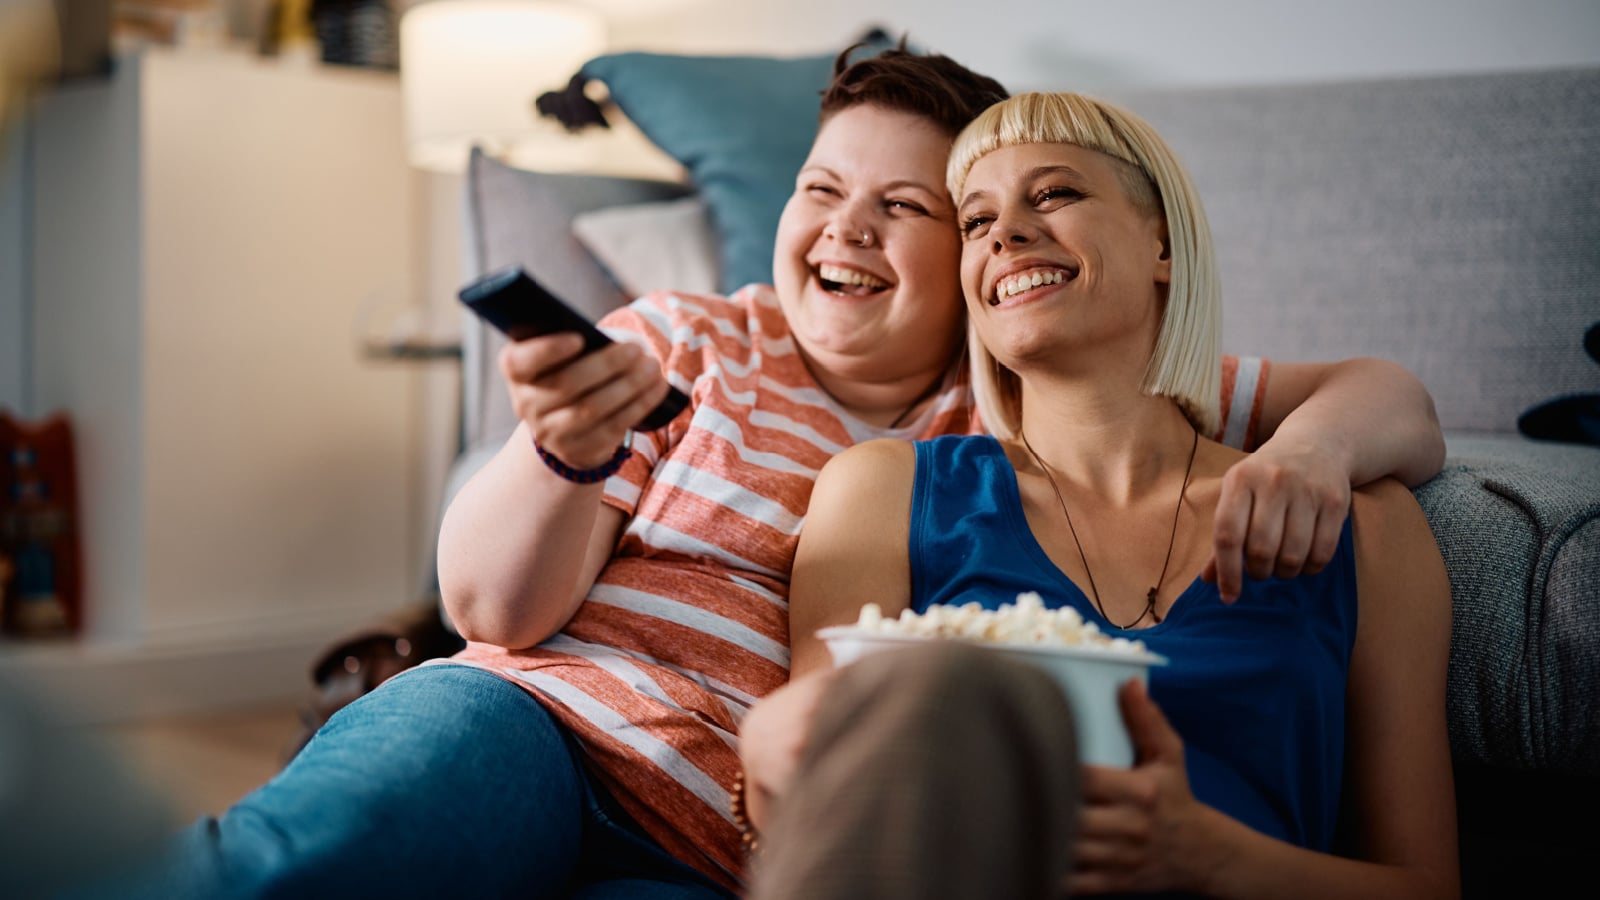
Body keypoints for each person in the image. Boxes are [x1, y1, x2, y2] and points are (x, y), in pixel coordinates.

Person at [81, 47, 1445, 899]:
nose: (844, 228)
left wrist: (1313, 452)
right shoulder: (686, 340)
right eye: (818, 190)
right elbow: (490, 610)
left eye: (907, 208)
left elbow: (1378, 399)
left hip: (724, 846)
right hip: (550, 728)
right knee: (290, 870)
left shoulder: (1012, 390)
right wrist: (567, 449)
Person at [740, 90, 1457, 900]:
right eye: (975, 222)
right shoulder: (884, 489)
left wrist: (1210, 857)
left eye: (1054, 194)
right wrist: (769, 750)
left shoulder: (1361, 524)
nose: (1005, 232)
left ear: (1163, 245)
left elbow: (1427, 885)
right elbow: (819, 794)